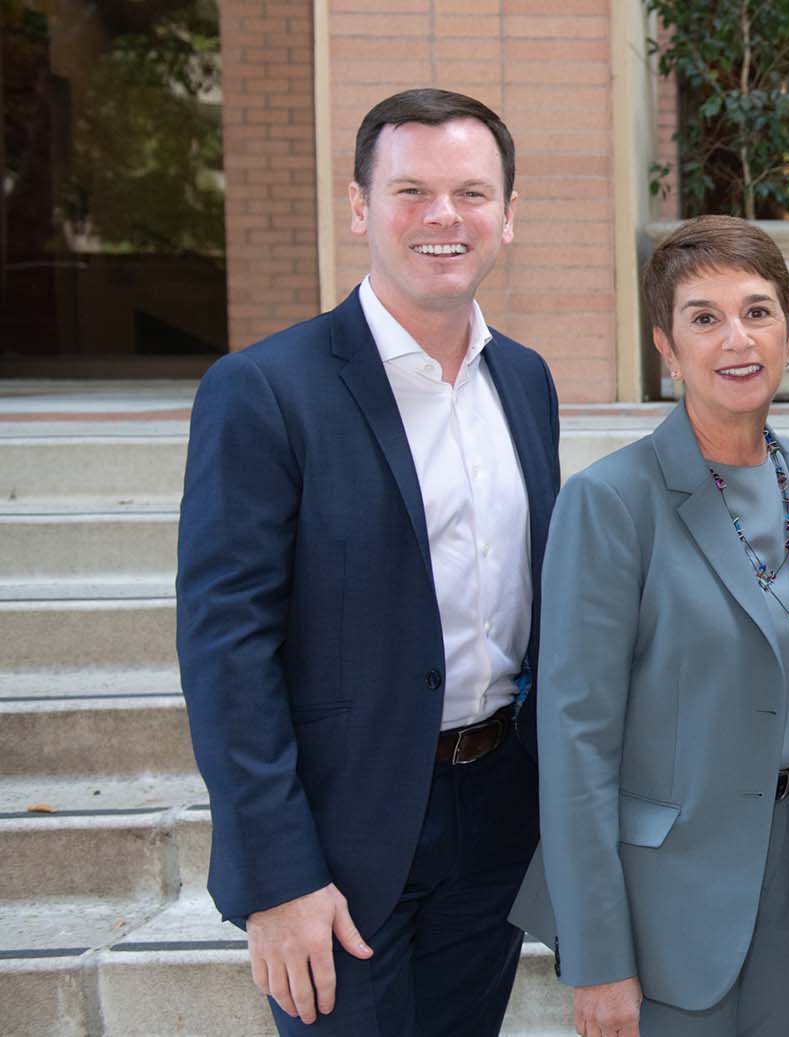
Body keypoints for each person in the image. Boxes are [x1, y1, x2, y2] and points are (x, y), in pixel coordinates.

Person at [176, 88, 559, 1034]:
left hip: (496, 818)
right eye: (411, 190)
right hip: (340, 841)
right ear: (359, 206)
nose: (443, 216)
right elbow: (227, 650)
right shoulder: (264, 389)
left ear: (507, 216)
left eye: (472, 192)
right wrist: (279, 877)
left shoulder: (526, 378)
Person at [508, 215, 789, 1037]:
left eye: (758, 310)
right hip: (665, 885)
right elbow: (575, 742)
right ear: (666, 345)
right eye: (704, 317)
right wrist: (598, 955)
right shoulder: (610, 501)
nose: (736, 339)